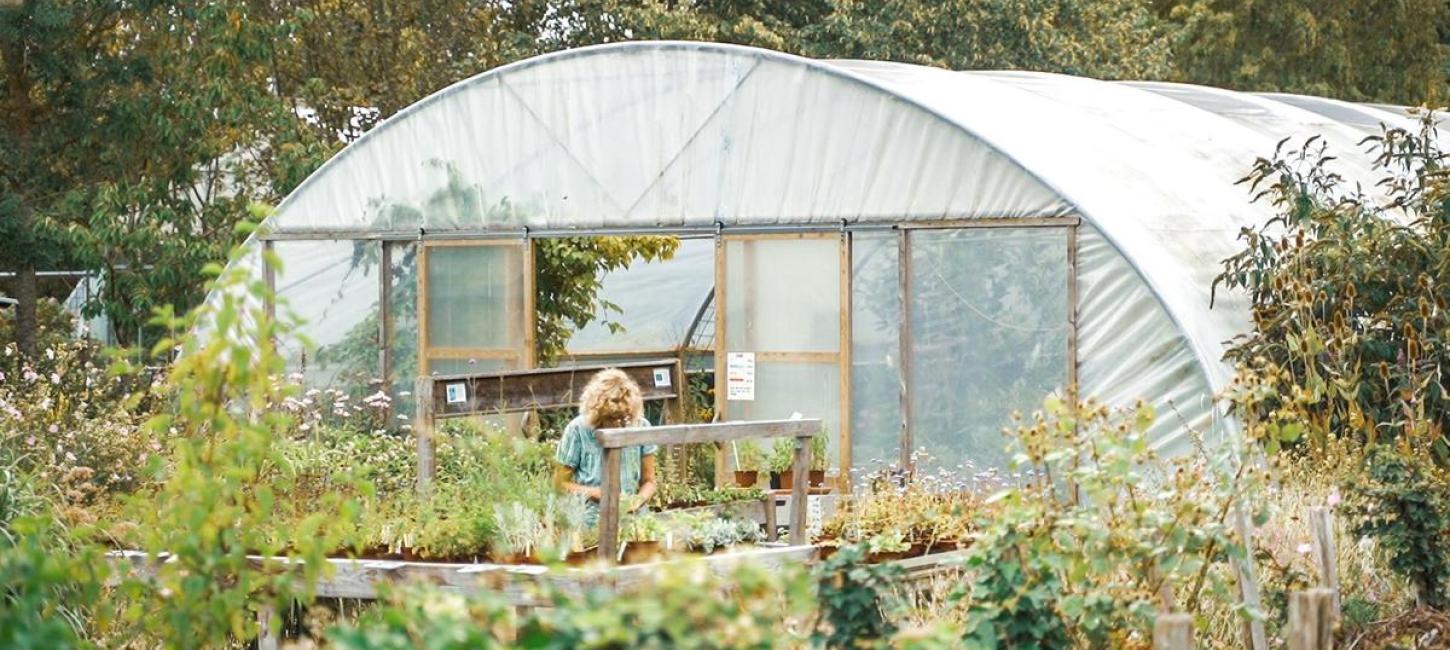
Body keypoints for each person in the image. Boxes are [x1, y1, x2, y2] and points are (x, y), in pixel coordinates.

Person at [554, 368, 657, 524]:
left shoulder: (641, 426)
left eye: (624, 419)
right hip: (590, 516)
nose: (619, 423)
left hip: (633, 517)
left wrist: (636, 501)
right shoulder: (577, 430)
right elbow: (559, 483)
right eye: (612, 418)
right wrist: (596, 493)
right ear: (597, 412)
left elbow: (649, 481)